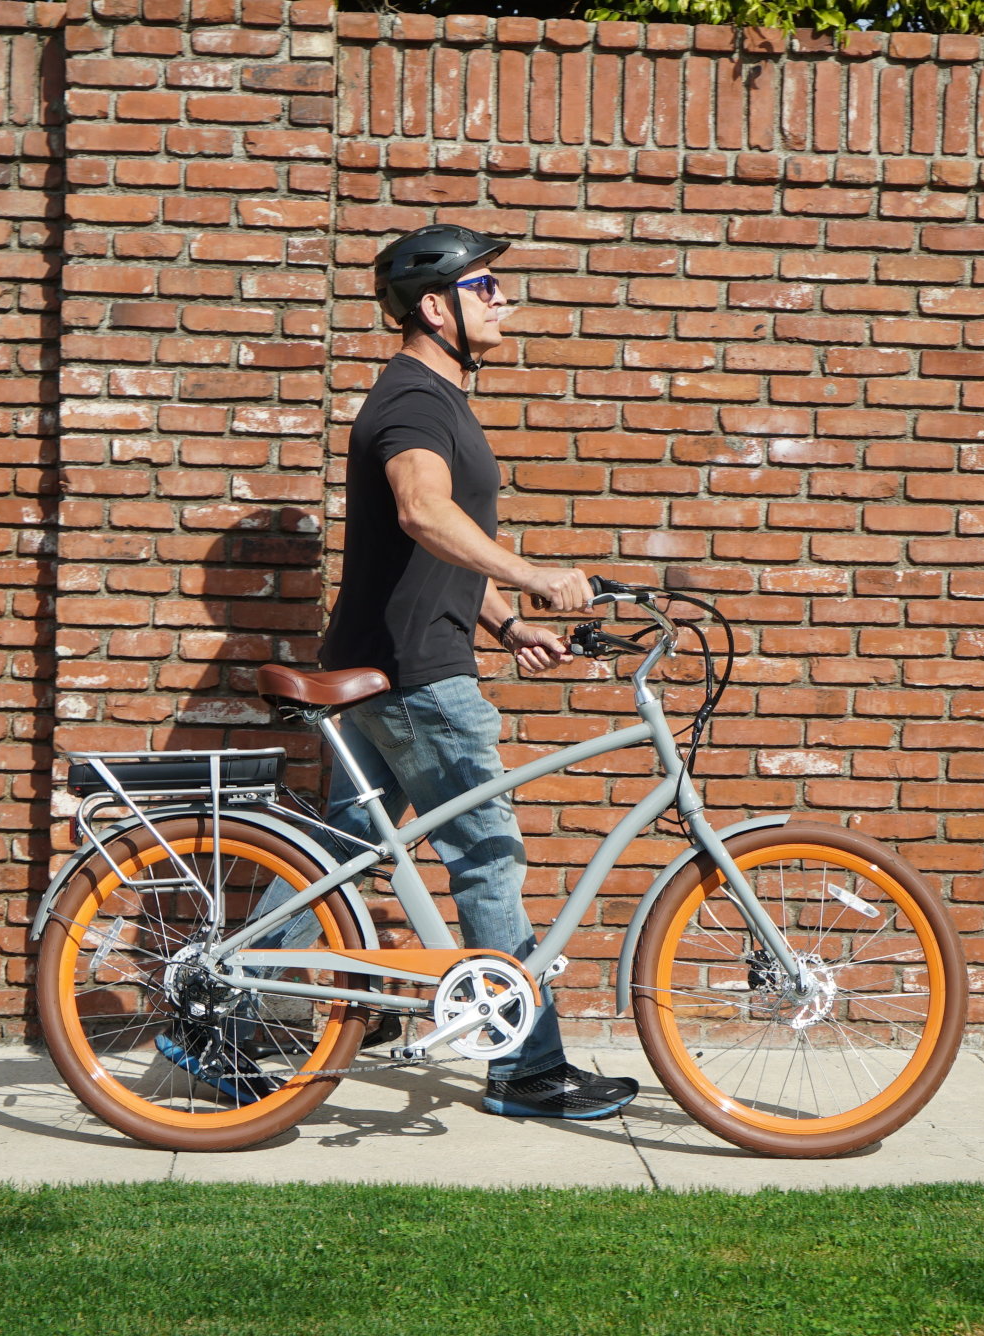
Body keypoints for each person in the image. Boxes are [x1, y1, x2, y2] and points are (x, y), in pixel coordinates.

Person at [300, 223, 640, 1120]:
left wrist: (507, 619)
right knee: (488, 856)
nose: (505, 300)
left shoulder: (427, 397)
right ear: (435, 305)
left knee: (337, 859)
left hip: (383, 662)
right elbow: (420, 512)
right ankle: (527, 1068)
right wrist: (531, 573)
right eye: (487, 287)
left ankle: (246, 1026)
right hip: (417, 674)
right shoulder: (414, 403)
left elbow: (428, 554)